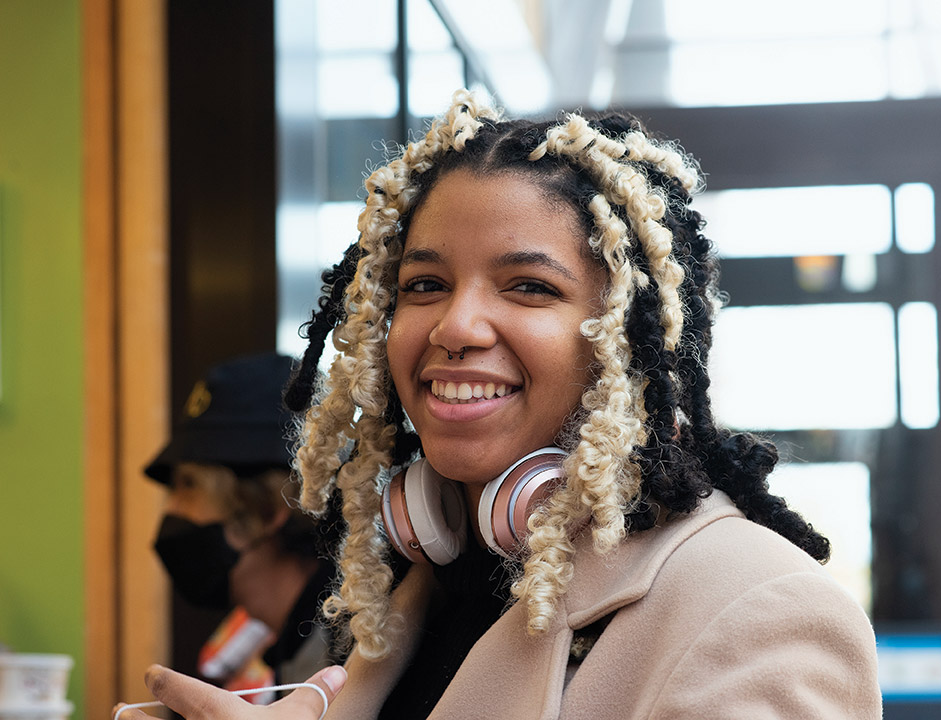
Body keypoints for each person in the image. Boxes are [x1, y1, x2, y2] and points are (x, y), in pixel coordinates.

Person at [117, 90, 882, 719]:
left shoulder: (758, 606)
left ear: (627, 338)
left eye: (529, 287)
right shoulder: (422, 591)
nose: (454, 326)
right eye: (425, 285)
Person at [144, 352, 344, 695]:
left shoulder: (351, 652)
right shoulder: (295, 641)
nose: (171, 509)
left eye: (189, 485)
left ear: (268, 509)